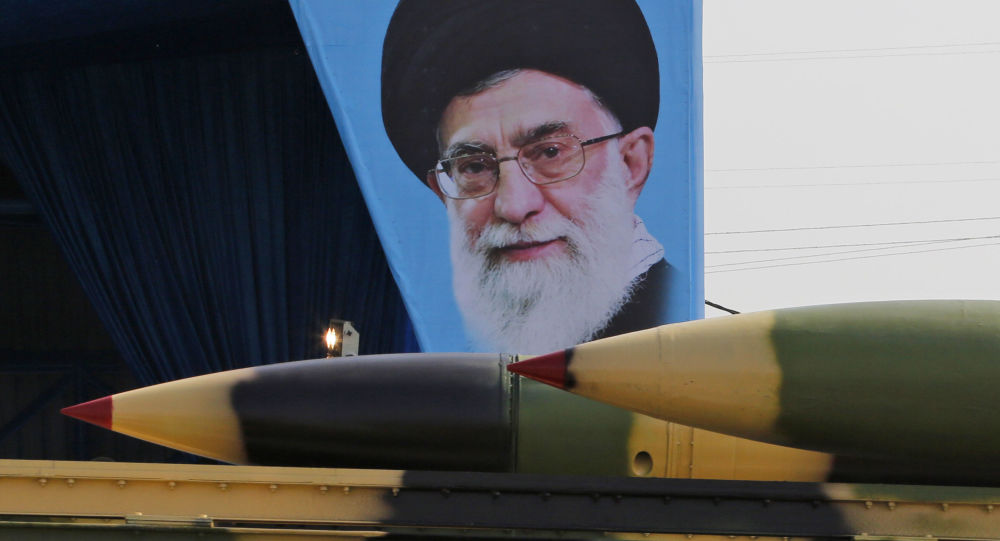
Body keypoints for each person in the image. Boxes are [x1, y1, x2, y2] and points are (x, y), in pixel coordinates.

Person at [382, 0, 668, 352]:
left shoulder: (677, 344)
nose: (514, 206)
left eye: (550, 152)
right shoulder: (452, 358)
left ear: (630, 164)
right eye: (475, 167)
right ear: (443, 194)